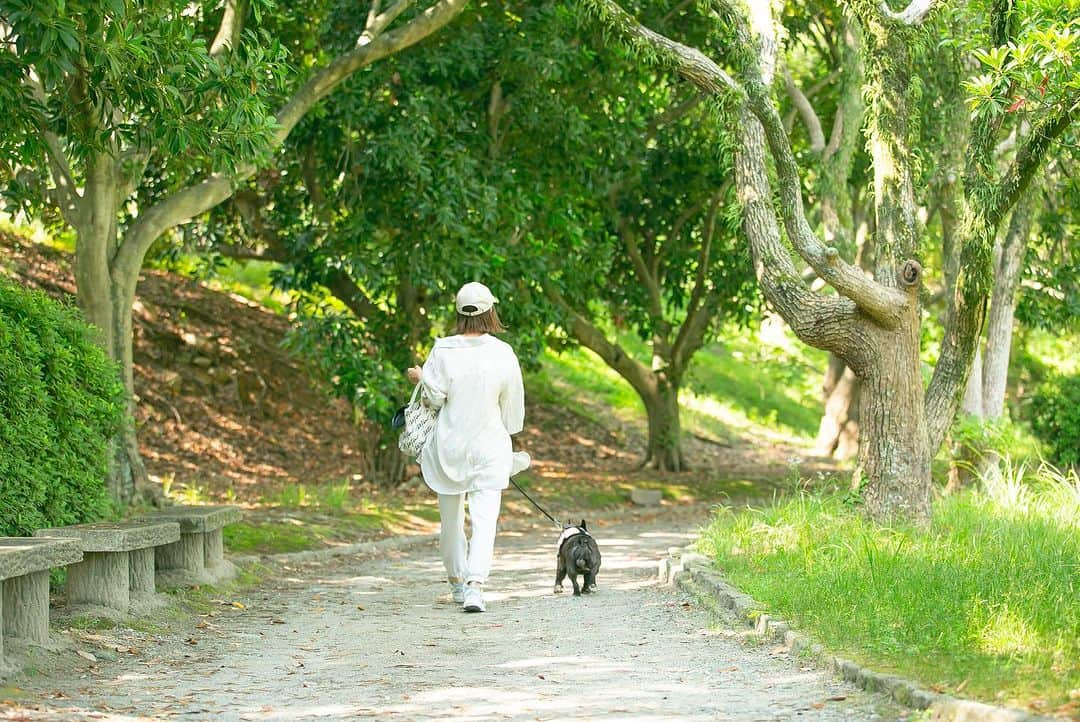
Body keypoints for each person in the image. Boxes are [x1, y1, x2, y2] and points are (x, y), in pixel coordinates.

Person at [406, 281, 530, 613]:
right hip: (489, 446)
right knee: (485, 519)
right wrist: (508, 433)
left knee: (450, 521)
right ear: (491, 311)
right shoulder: (503, 353)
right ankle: (476, 586)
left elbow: (434, 398)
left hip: (448, 446)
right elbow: (512, 411)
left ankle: (457, 582)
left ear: (458, 313)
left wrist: (422, 379)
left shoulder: (442, 350)